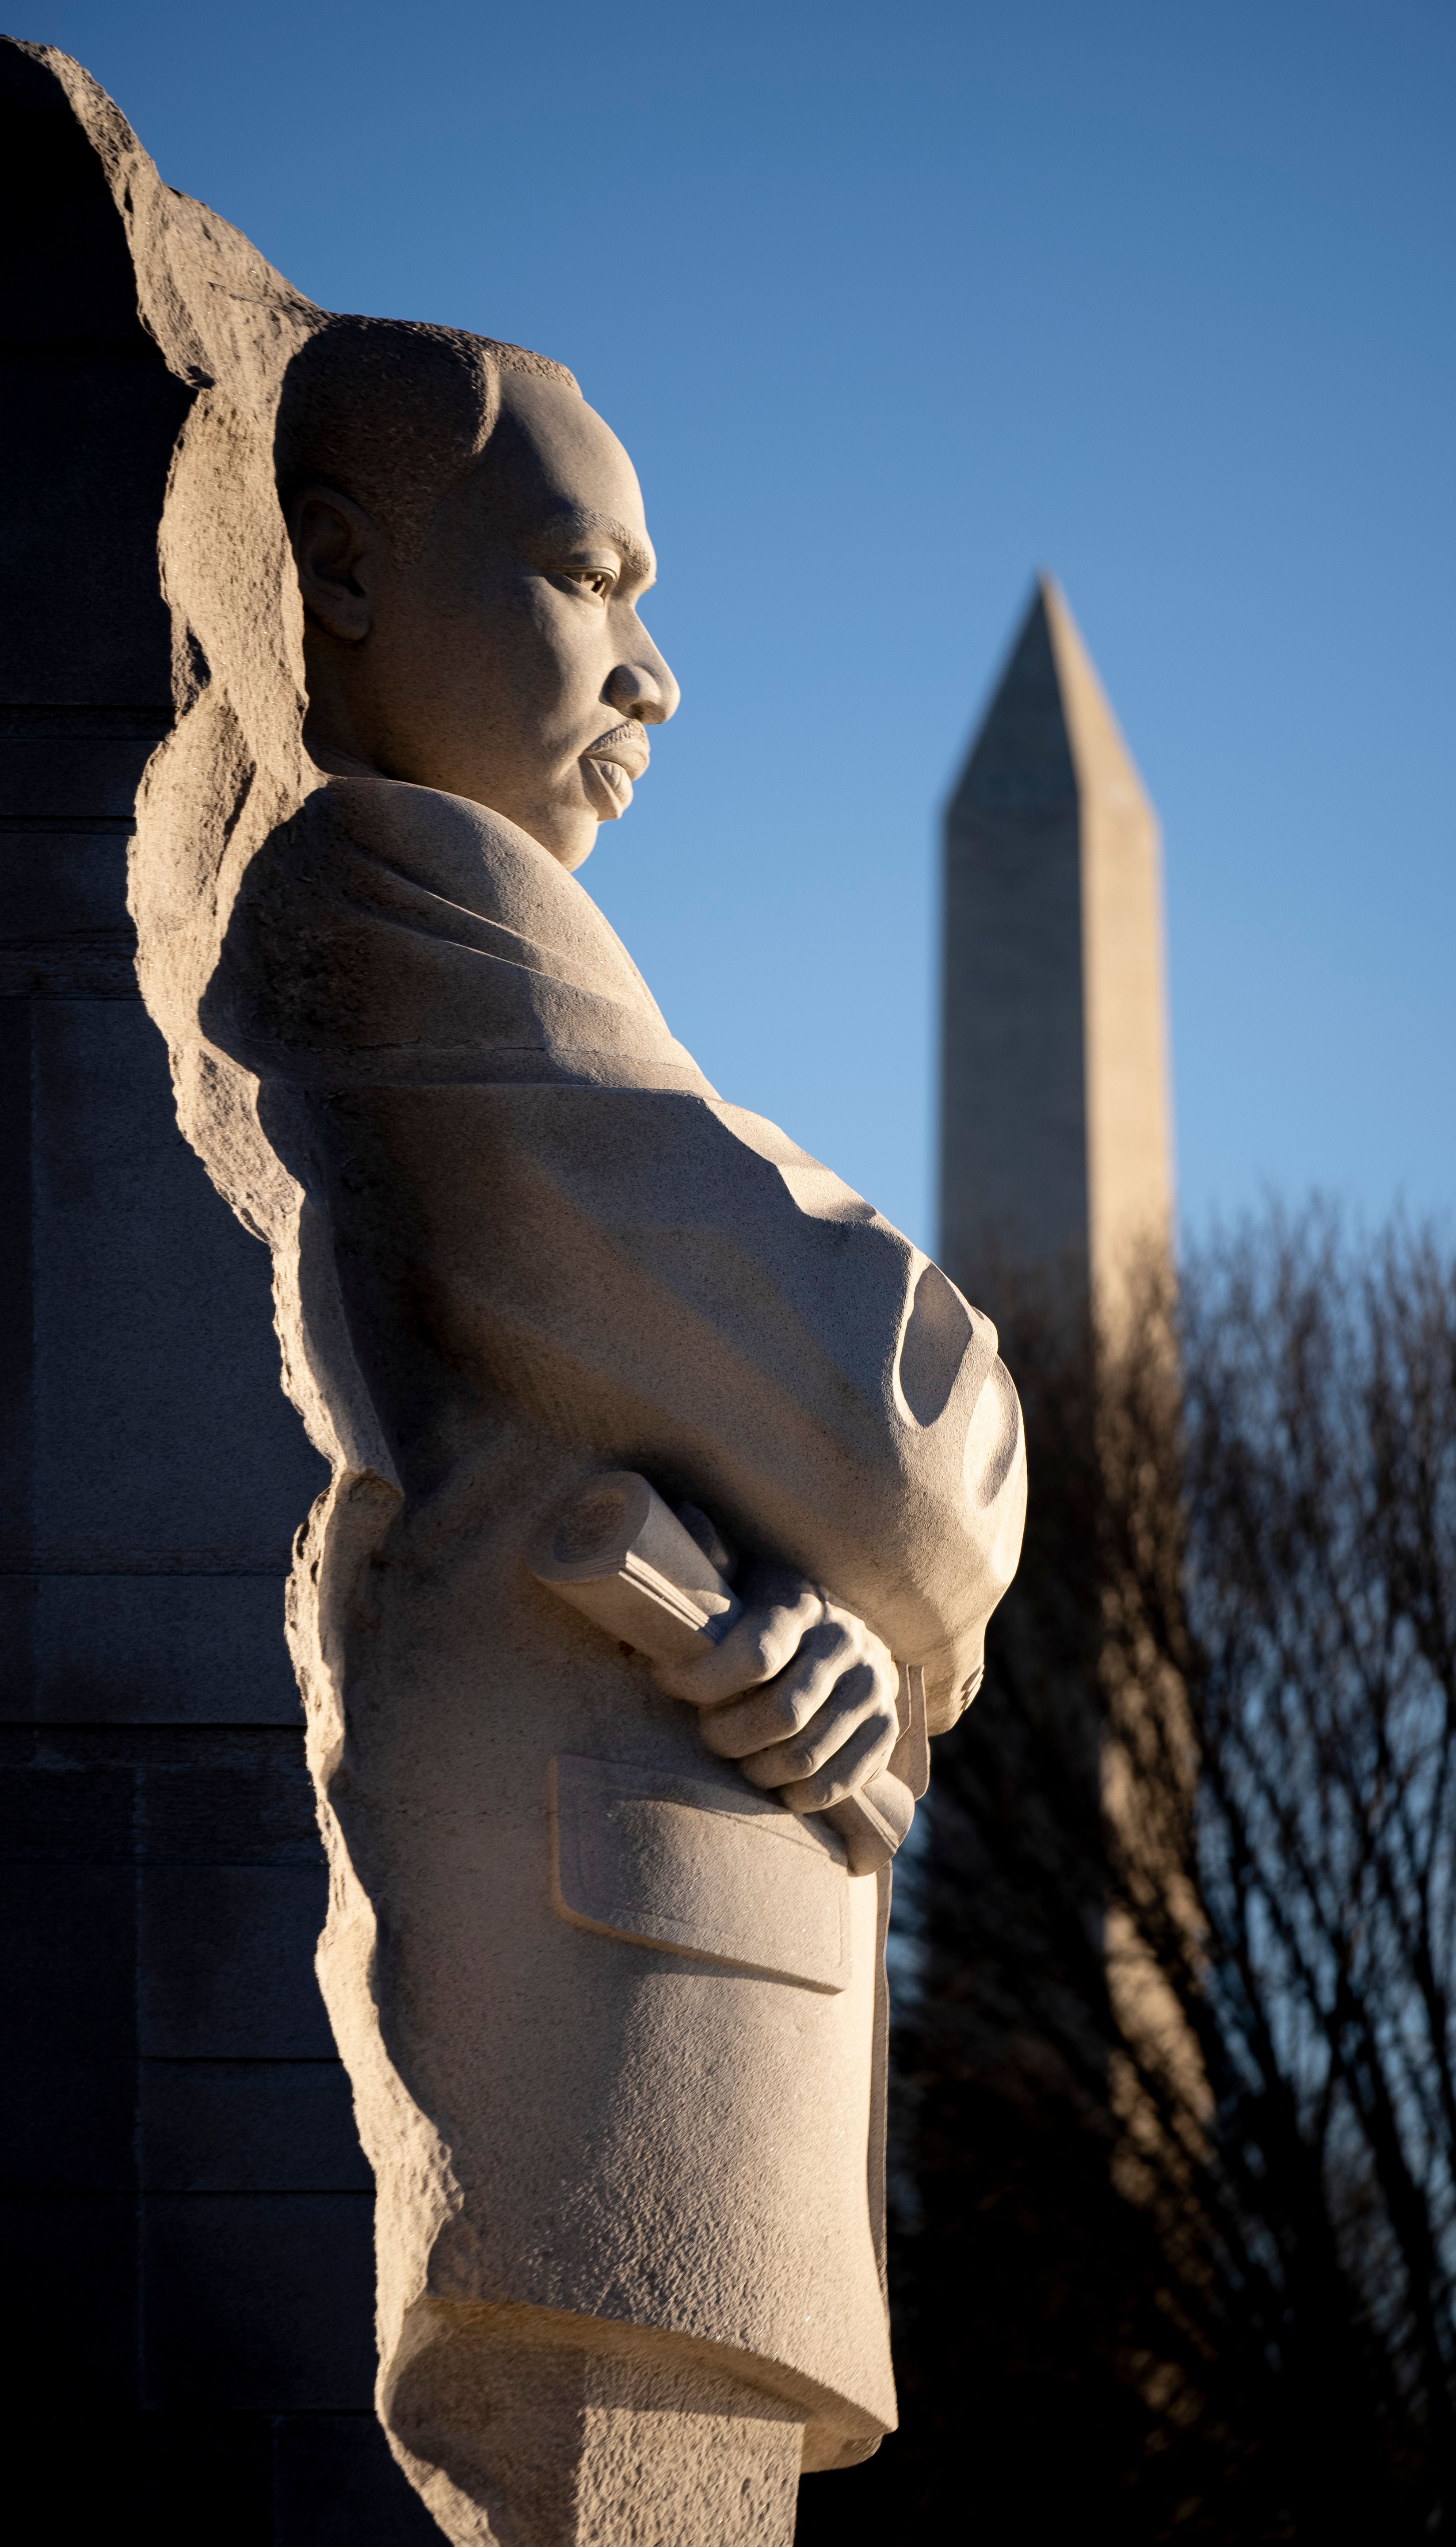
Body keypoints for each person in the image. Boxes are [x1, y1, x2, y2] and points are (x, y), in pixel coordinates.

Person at [201, 315, 1025, 2545]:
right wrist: (889, 1551)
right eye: (590, 579)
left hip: (657, 2088)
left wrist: (853, 1651)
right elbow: (900, 1433)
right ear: (346, 575)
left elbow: (827, 1518)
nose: (654, 673)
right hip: (578, 2098)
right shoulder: (423, 914)